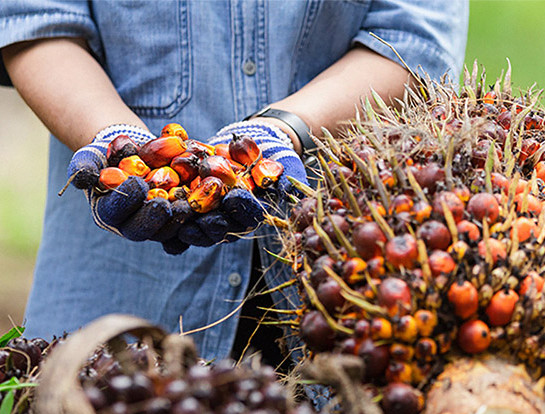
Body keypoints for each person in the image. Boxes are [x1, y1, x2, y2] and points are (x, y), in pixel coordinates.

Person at [0, 1, 469, 363]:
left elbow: (414, 38)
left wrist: (287, 128)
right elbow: (37, 21)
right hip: (120, 289)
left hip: (334, 272)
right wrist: (111, 139)